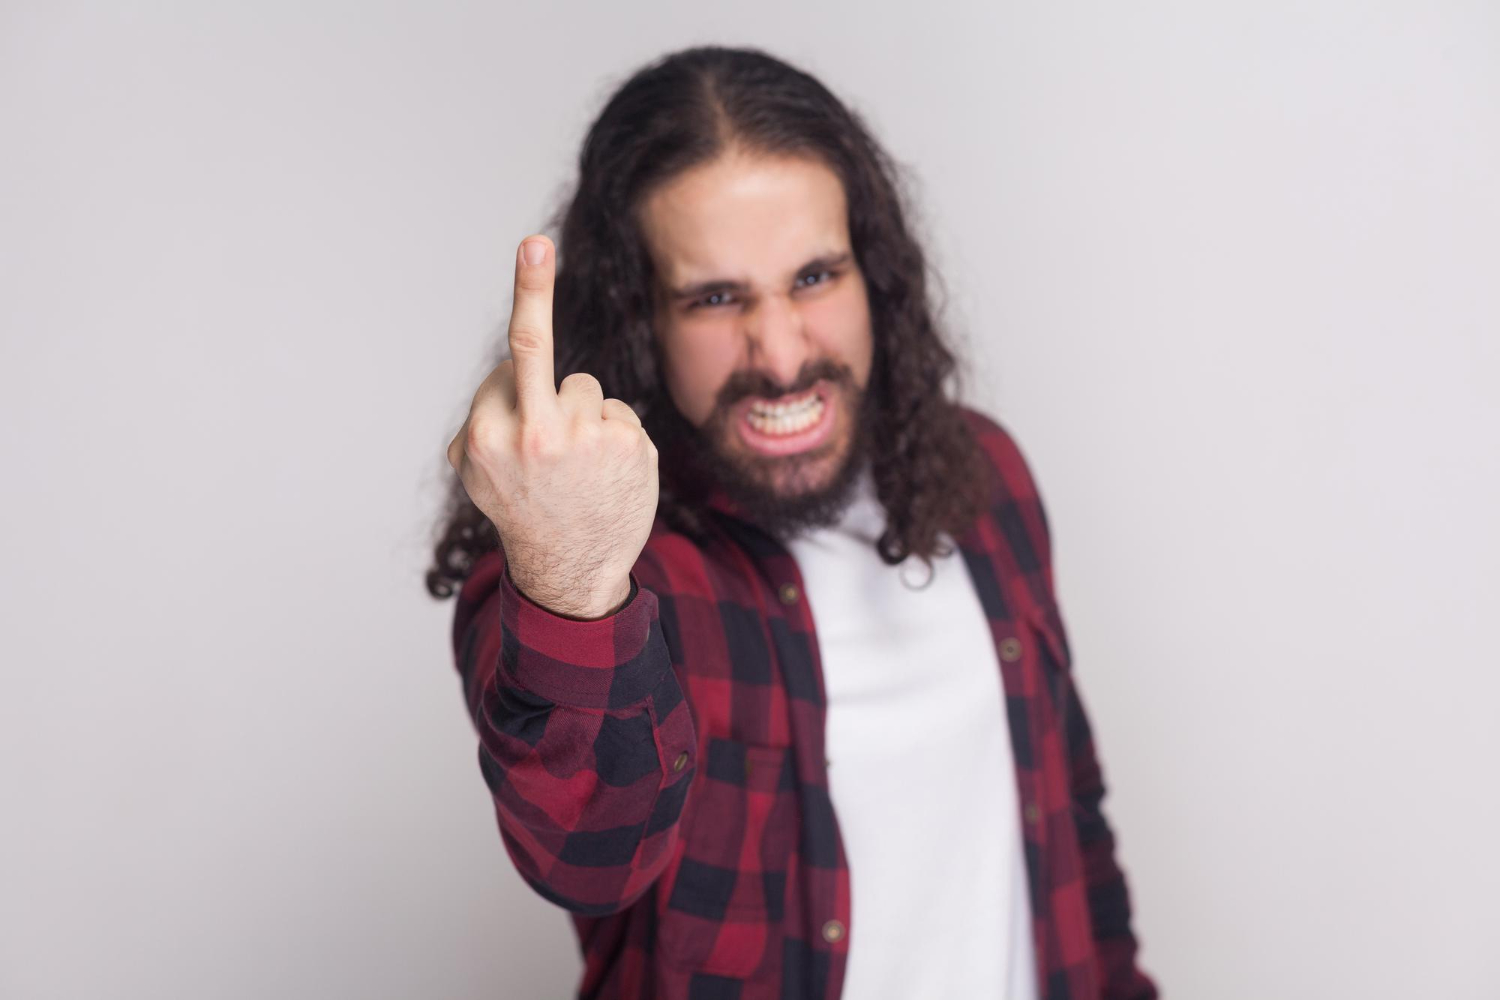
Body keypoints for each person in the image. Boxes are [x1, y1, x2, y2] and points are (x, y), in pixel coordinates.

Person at [427, 45, 1157, 1000]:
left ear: (874, 277)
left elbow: (1072, 821)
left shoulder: (984, 480)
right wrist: (569, 571)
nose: (779, 355)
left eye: (814, 277)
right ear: (638, 319)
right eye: (716, 298)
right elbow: (585, 857)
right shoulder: (589, 566)